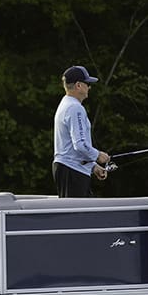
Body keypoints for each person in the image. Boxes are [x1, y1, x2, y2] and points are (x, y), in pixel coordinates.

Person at [53, 64, 110, 198]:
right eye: (87, 84)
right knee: (77, 211)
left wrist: (92, 166)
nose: (89, 87)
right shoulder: (75, 108)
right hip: (72, 170)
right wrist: (97, 155)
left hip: (69, 168)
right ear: (78, 85)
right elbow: (80, 144)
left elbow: (72, 146)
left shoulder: (65, 104)